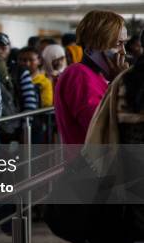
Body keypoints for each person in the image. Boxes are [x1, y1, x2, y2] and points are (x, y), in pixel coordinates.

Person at [55, 10, 129, 145]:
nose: (123, 52)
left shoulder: (98, 76)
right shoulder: (78, 75)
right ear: (92, 48)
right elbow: (103, 129)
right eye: (117, 44)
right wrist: (122, 83)